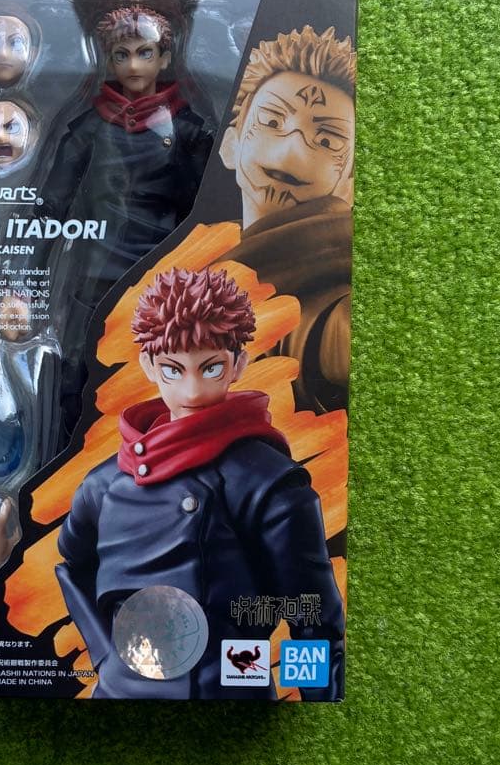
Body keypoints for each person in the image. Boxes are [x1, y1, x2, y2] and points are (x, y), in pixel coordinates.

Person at [55, 267, 344, 700]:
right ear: (148, 366)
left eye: (210, 368)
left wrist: (321, 704)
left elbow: (312, 618)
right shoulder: (105, 483)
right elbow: (72, 566)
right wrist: (104, 655)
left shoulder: (266, 482)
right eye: (173, 370)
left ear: (238, 365)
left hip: (230, 695)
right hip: (120, 696)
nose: (192, 392)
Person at [42, 4, 214, 435]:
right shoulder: (89, 129)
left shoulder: (190, 131)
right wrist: (20, 282)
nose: (134, 66)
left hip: (164, 278)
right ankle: (67, 460)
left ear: (165, 58)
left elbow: (211, 212)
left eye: (144, 52)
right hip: (96, 276)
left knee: (164, 380)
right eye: (122, 55)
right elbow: (48, 208)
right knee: (77, 375)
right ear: (108, 59)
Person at [218, 25, 356, 413]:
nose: (293, 147)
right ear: (230, 145)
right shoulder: (201, 260)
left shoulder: (336, 299)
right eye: (273, 121)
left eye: (327, 140)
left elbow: (330, 337)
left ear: (351, 184)